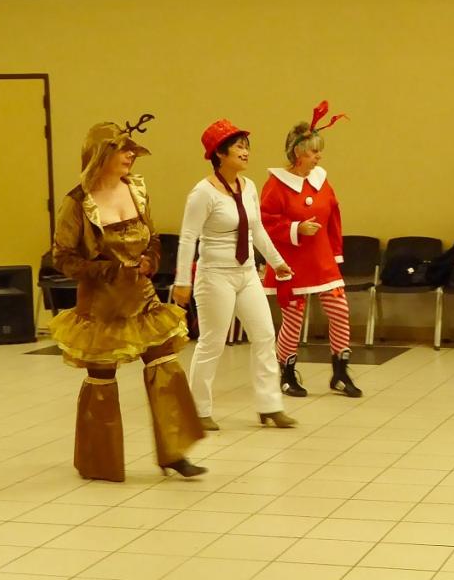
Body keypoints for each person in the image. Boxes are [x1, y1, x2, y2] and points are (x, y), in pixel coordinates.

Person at [49, 116, 206, 482]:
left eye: (132, 151)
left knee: (165, 365)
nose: (131, 156)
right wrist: (107, 269)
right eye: (123, 150)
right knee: (101, 381)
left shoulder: (136, 189)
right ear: (101, 154)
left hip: (143, 300)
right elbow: (62, 257)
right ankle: (98, 460)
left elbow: (153, 237)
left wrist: (151, 259)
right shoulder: (77, 202)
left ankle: (175, 452)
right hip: (102, 306)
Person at [172, 119, 297, 430]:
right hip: (215, 275)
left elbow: (258, 230)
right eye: (239, 147)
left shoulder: (249, 186)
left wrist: (277, 262)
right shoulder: (203, 192)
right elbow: (188, 238)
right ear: (220, 153)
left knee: (265, 336)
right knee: (212, 343)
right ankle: (199, 410)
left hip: (247, 273)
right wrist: (182, 281)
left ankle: (270, 406)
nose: (245, 152)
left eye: (247, 147)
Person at [260, 101, 361, 398]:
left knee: (340, 310)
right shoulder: (276, 184)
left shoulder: (321, 181)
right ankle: (286, 373)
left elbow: (334, 215)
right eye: (314, 151)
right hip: (291, 262)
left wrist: (335, 251)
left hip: (321, 260)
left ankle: (340, 372)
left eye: (319, 151)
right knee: (293, 318)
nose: (319, 156)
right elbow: (265, 222)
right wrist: (295, 228)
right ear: (297, 153)